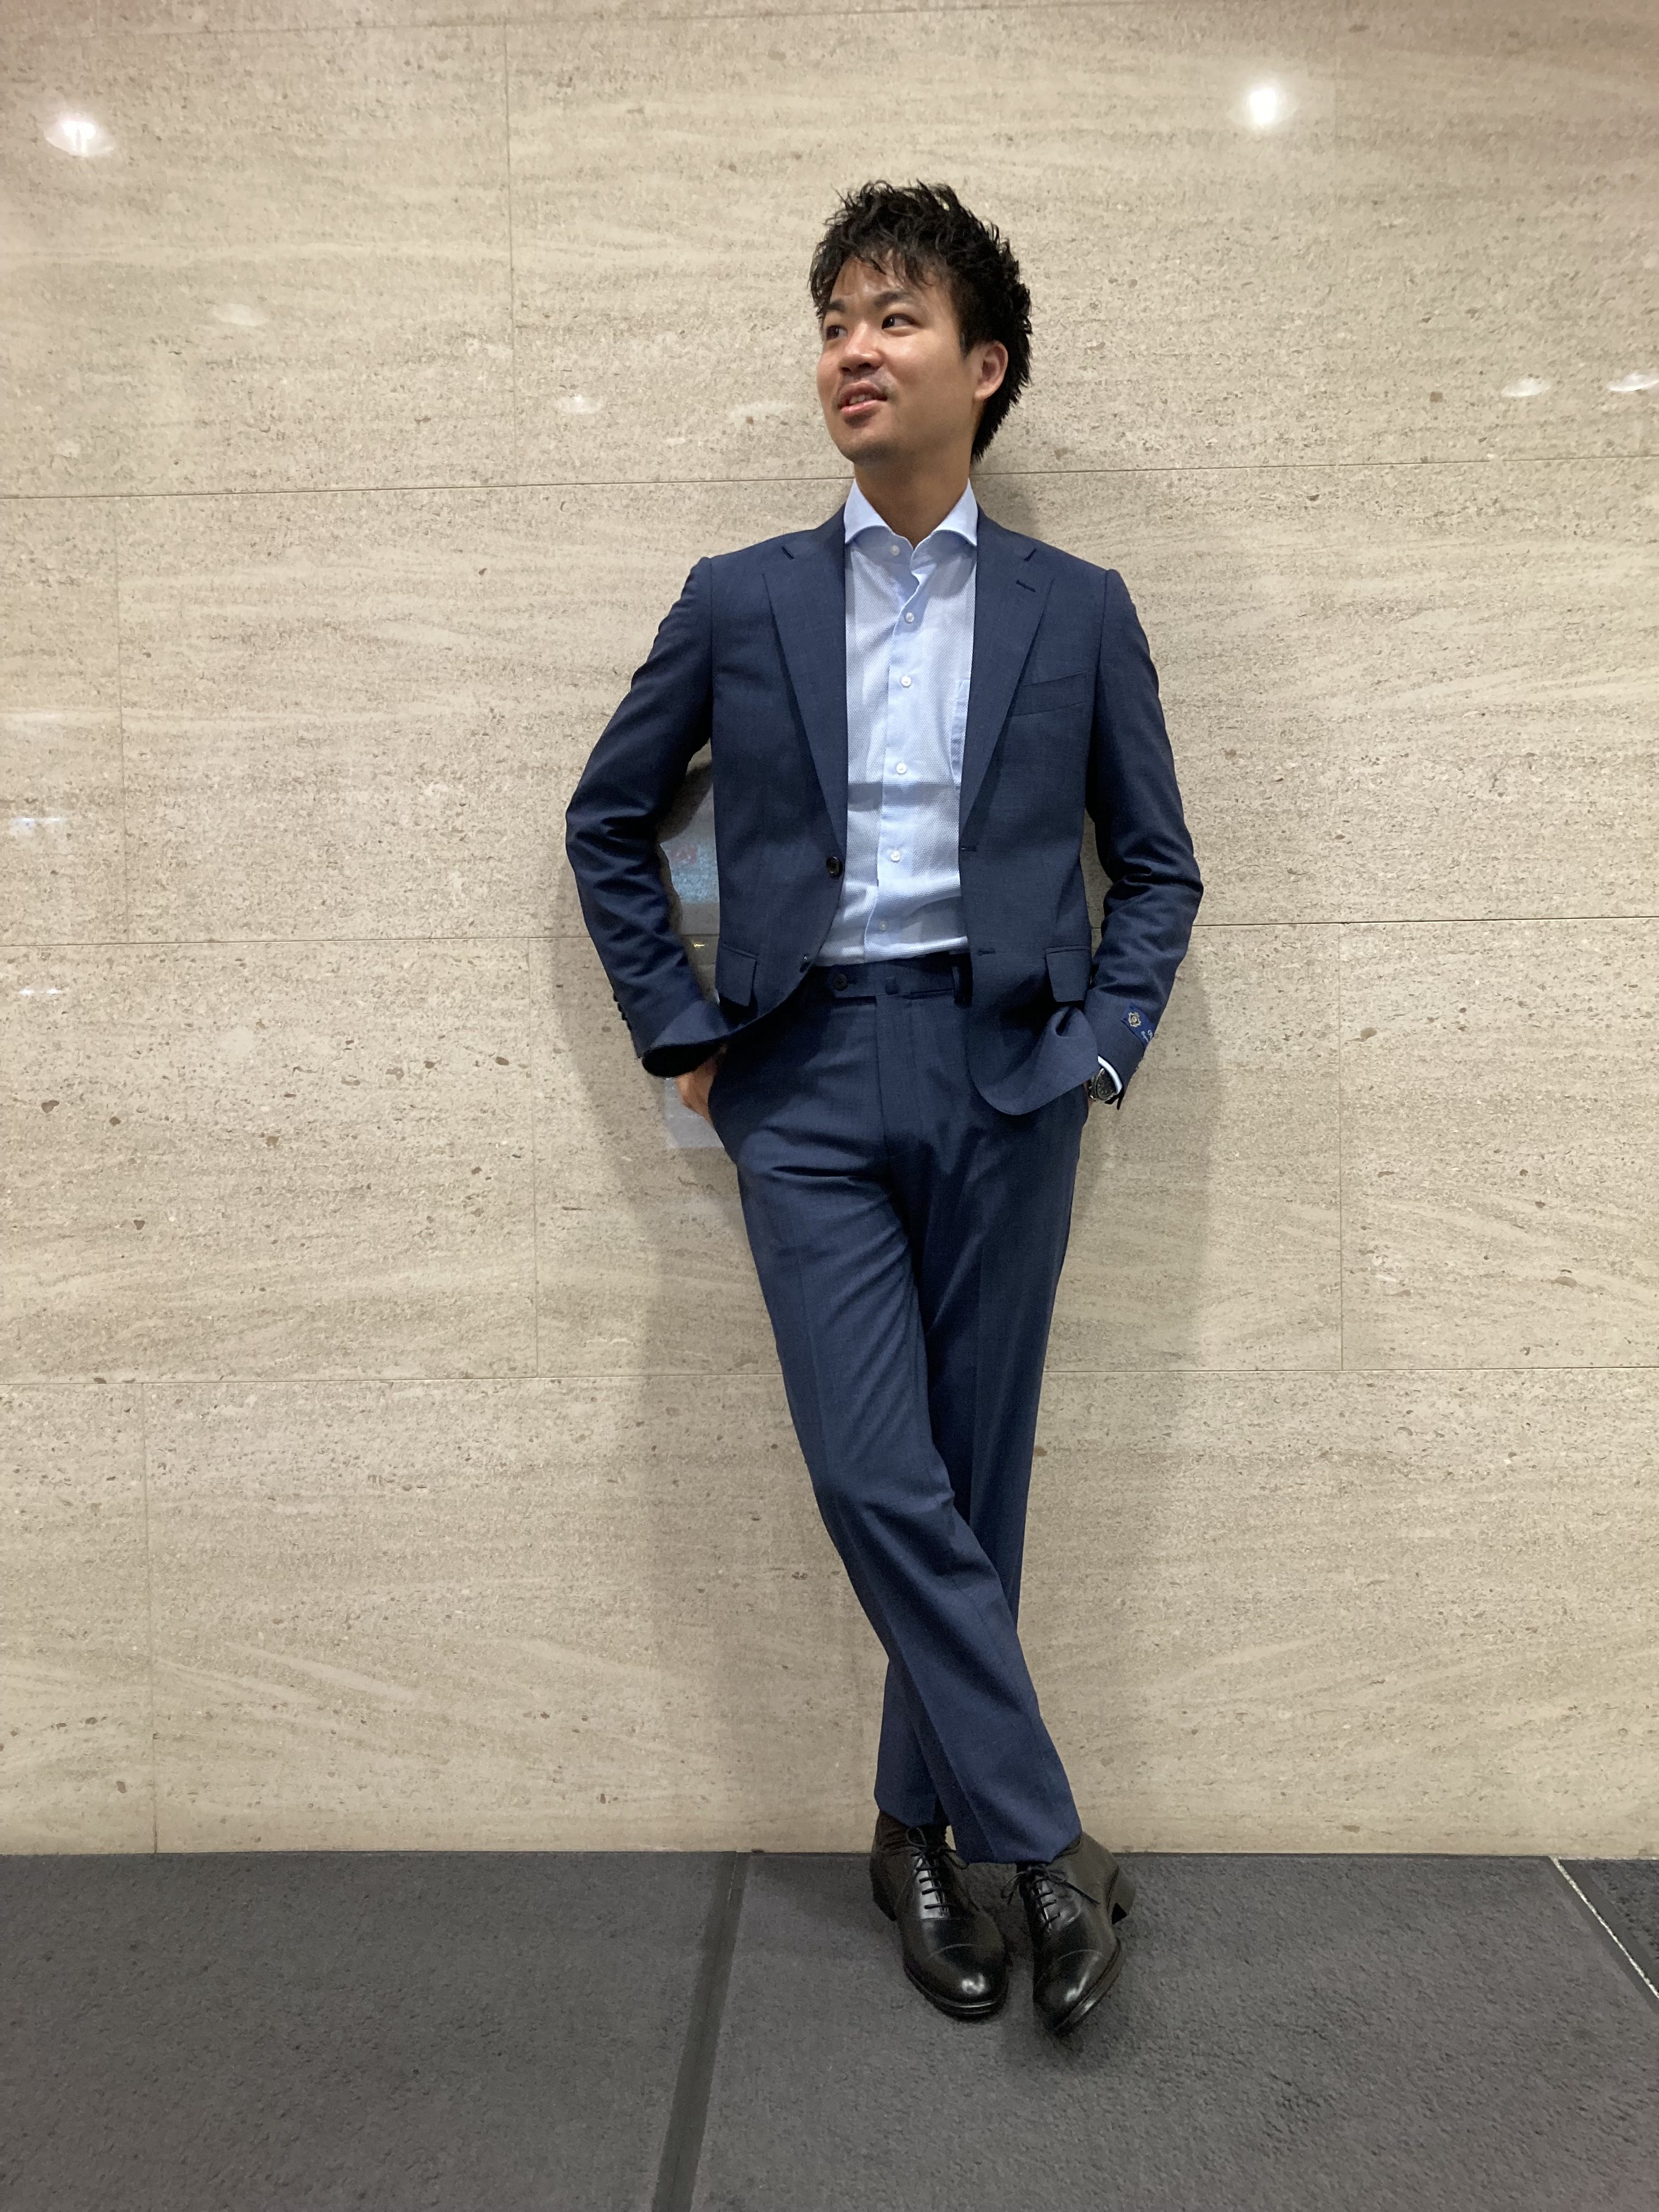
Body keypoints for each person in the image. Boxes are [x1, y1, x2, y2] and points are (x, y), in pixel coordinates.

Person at [565, 179, 1204, 2038]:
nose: (853, 347)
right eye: (836, 319)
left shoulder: (1079, 611)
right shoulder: (742, 596)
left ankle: (914, 1832)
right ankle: (1052, 1843)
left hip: (1011, 1075)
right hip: (806, 1081)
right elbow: (608, 819)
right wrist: (682, 1033)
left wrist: (1099, 1049)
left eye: (895, 316)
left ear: (982, 368)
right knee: (872, 1470)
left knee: (970, 1486)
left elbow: (1158, 866)